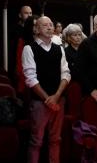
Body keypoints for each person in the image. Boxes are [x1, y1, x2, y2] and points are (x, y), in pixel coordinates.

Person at [22, 16, 70, 163]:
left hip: (58, 100)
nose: (50, 27)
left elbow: (66, 74)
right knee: (36, 141)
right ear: (36, 30)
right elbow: (30, 78)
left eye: (51, 24)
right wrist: (47, 99)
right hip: (39, 102)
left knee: (56, 139)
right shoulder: (29, 48)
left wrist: (56, 96)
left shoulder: (59, 49)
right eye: (45, 25)